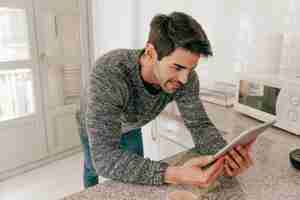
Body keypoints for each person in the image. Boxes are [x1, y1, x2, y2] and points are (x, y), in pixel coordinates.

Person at [76, 11, 254, 189]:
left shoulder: (187, 78)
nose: (184, 79)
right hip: (92, 121)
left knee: (131, 174)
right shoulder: (110, 73)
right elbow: (105, 159)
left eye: (190, 69)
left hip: (131, 123)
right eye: (177, 67)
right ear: (150, 53)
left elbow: (199, 125)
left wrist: (226, 156)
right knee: (93, 166)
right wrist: (176, 174)